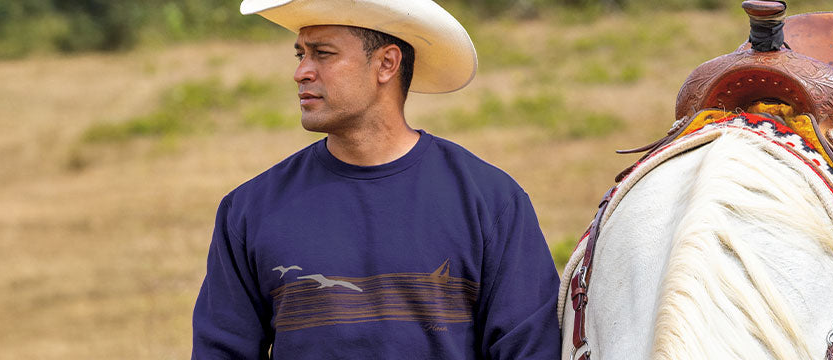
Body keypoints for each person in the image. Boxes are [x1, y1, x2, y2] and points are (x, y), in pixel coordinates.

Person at [191, 0, 560, 358]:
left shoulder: (491, 202)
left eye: (323, 53)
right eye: (300, 54)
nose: (301, 72)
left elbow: (530, 350)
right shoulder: (250, 210)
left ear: (386, 64)